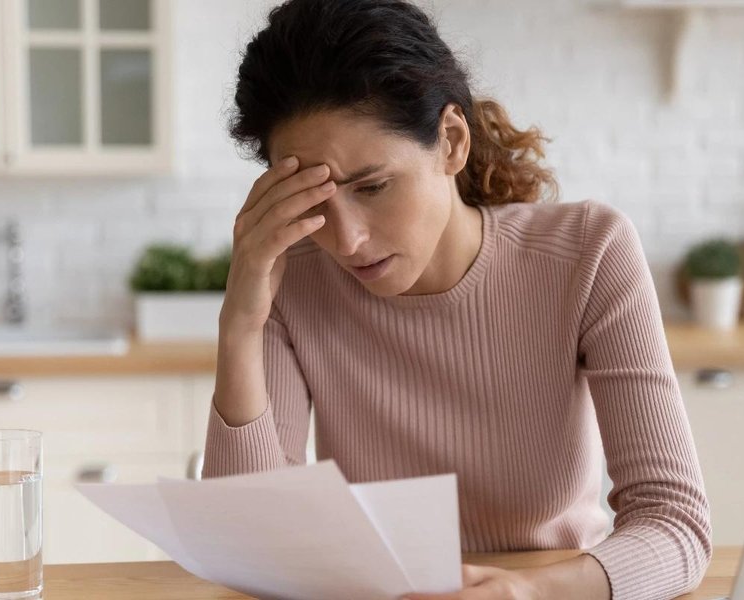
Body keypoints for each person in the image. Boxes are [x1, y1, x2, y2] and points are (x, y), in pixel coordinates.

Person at [202, 1, 711, 598]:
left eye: (373, 187)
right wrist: (240, 321)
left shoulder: (588, 253)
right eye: (311, 201)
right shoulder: (290, 280)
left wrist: (528, 593)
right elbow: (252, 546)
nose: (347, 239)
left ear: (451, 141)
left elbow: (676, 526)